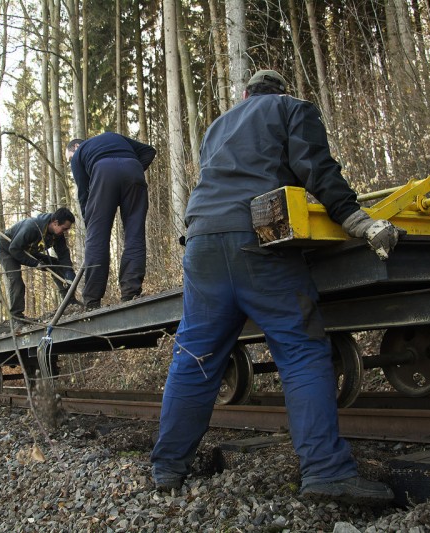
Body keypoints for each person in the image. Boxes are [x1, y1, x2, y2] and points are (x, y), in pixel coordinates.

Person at [150, 70, 403, 505]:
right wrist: (355, 218)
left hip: (201, 243)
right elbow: (316, 168)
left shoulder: (218, 126)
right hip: (258, 239)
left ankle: (168, 467)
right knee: (301, 350)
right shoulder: (292, 109)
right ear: (280, 92)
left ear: (246, 95)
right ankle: (326, 472)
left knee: (194, 358)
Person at [66, 132, 156, 310]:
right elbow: (149, 151)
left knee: (97, 239)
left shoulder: (79, 154)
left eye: (69, 158)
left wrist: (89, 222)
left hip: (103, 172)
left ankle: (92, 300)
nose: (71, 162)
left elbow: (84, 193)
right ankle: (131, 292)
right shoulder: (114, 137)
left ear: (75, 147)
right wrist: (134, 171)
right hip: (133, 170)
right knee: (135, 233)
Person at [0, 208, 76, 322]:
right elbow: (14, 249)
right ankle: (16, 317)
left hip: (29, 251)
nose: (65, 232)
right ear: (55, 223)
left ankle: (70, 301)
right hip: (8, 250)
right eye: (64, 229)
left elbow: (63, 254)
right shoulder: (31, 228)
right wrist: (36, 263)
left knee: (56, 265)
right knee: (16, 280)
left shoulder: (57, 235)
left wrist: (69, 271)